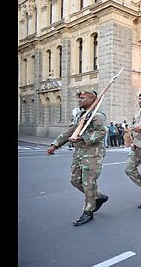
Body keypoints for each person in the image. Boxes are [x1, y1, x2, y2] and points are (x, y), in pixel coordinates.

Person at [46, 90, 109, 226]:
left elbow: (102, 132)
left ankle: (88, 211)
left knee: (88, 182)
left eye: (82, 98)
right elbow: (69, 131)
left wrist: (83, 137)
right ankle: (98, 197)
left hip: (93, 154)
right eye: (79, 98)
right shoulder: (80, 115)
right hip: (79, 153)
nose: (79, 100)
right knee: (75, 180)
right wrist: (55, 145)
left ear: (91, 100)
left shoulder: (97, 115)